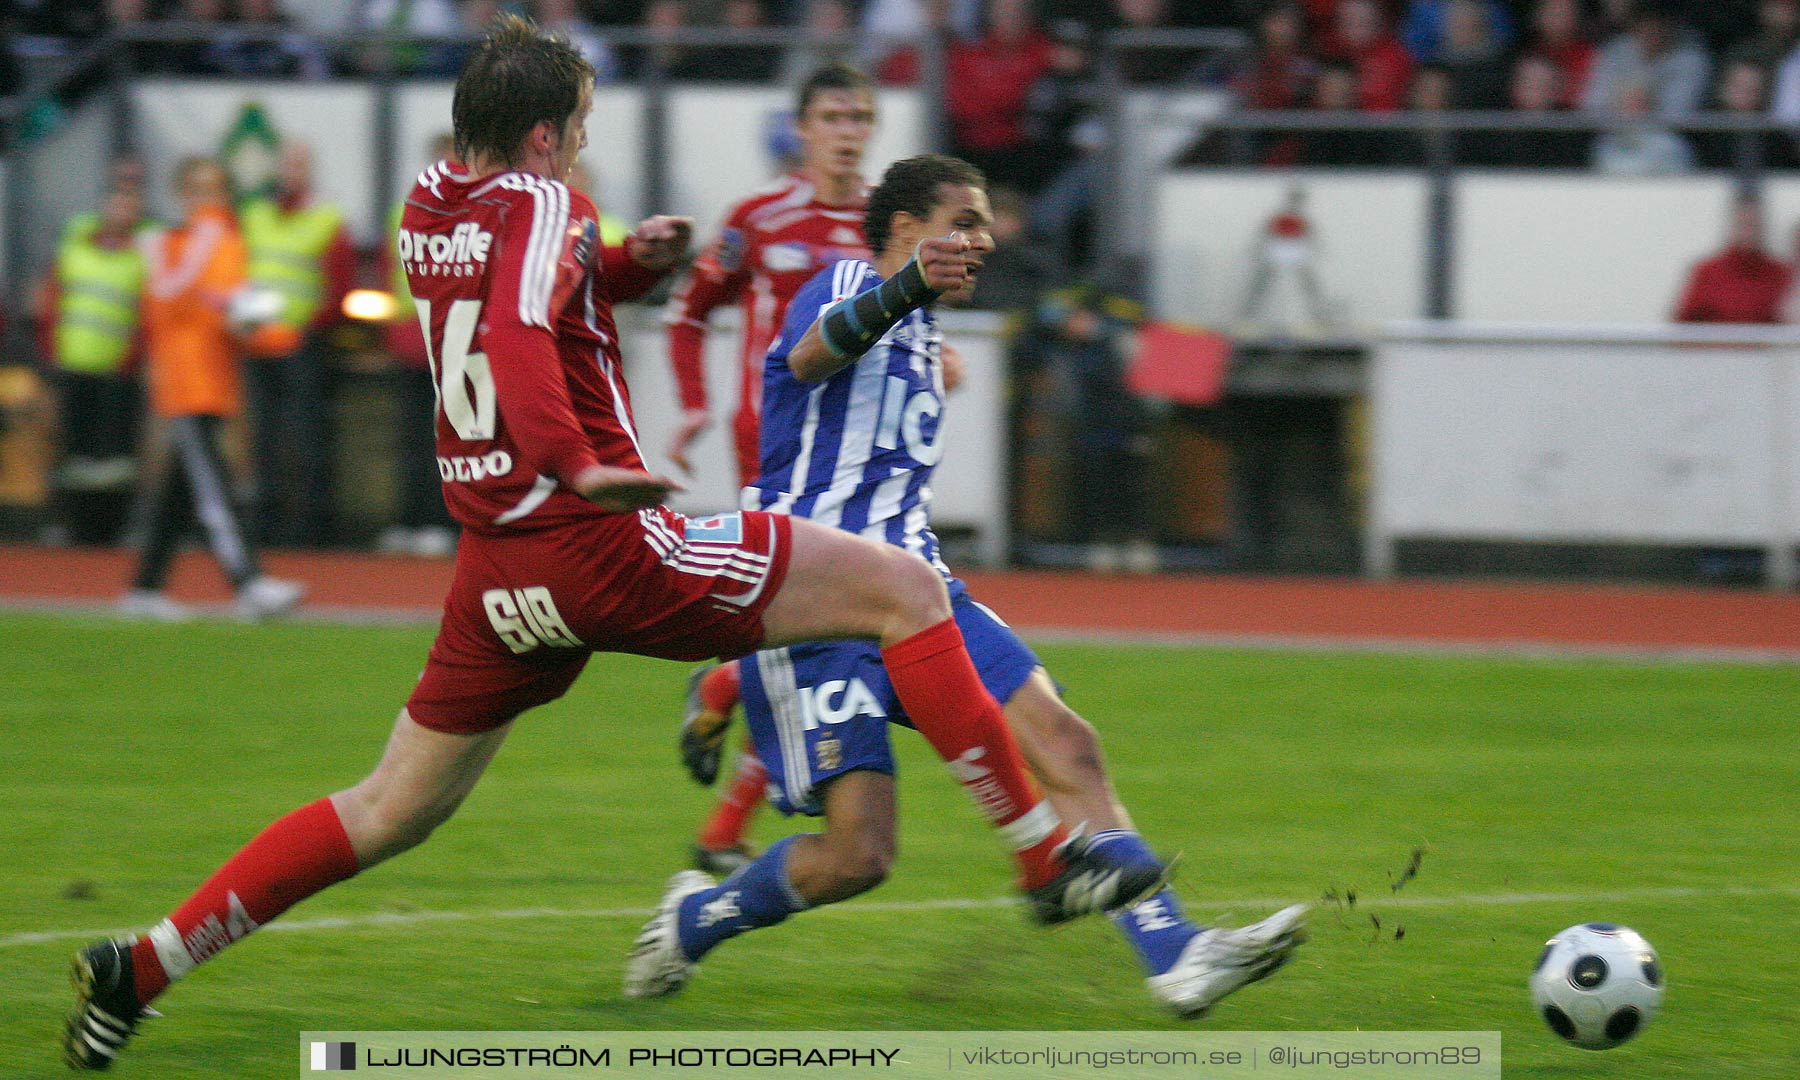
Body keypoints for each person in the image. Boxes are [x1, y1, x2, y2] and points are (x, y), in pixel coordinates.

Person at [62, 19, 1158, 1070]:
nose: (582, 142)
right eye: (579, 123)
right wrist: (578, 462)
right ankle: (1039, 856)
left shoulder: (431, 202)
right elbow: (517, 331)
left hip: (496, 574)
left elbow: (513, 292)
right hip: (597, 542)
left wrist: (634, 267)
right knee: (906, 590)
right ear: (544, 136)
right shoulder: (546, 198)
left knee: (390, 808)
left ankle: (145, 965)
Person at [624, 153, 1307, 1015]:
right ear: (907, 230)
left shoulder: (921, 336)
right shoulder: (844, 280)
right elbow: (807, 356)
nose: (984, 239)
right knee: (858, 857)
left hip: (919, 589)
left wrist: (918, 319)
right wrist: (903, 287)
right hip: (815, 602)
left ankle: (1175, 953)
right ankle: (695, 920)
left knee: (1068, 742)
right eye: (967, 221)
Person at [665, 62, 879, 874]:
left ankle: (723, 818)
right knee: (832, 623)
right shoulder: (758, 217)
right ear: (801, 128)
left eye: (859, 116)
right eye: (831, 115)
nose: (846, 129)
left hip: (853, 450)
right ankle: (722, 721)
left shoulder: (885, 222)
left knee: (823, 629)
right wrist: (690, 407)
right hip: (777, 443)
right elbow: (688, 313)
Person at [116, 156, 305, 623]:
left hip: (211, 381)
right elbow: (180, 305)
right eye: (198, 189)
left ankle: (144, 587)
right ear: (181, 194)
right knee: (213, 490)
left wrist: (270, 330)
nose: (208, 199)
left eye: (215, 189)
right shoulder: (172, 246)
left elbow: (230, 315)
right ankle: (249, 582)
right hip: (186, 384)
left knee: (185, 489)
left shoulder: (218, 244)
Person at [239, 139, 356, 548]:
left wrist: (312, 324)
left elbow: (339, 282)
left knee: (307, 438)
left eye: (299, 164)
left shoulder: (325, 217)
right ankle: (268, 524)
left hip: (303, 343)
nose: (291, 172)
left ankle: (311, 526)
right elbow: (240, 270)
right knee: (265, 440)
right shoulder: (255, 215)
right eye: (287, 163)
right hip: (260, 342)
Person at [33, 183, 149, 546]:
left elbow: (147, 314)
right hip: (74, 365)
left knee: (116, 458)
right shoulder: (74, 249)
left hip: (119, 372)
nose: (122, 211)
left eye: (130, 205)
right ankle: (71, 523)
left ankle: (115, 525)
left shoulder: (142, 256)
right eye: (117, 202)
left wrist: (135, 356)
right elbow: (52, 302)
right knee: (74, 454)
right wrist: (50, 349)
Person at [1673, 192, 1791, 324]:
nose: (1748, 232)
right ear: (1732, 225)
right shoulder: (1707, 271)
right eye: (1743, 224)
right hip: (1715, 344)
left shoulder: (1781, 273)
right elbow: (1683, 324)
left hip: (1764, 344)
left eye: (1753, 225)